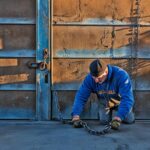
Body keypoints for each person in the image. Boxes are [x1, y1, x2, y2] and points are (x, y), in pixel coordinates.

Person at [71, 59, 135, 130]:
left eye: (99, 78)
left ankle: (119, 112)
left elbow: (127, 98)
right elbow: (81, 97)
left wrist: (119, 117)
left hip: (119, 102)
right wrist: (75, 115)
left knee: (129, 120)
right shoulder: (89, 79)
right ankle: (111, 114)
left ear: (106, 72)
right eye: (94, 77)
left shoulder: (121, 75)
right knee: (104, 121)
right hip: (104, 102)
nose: (96, 81)